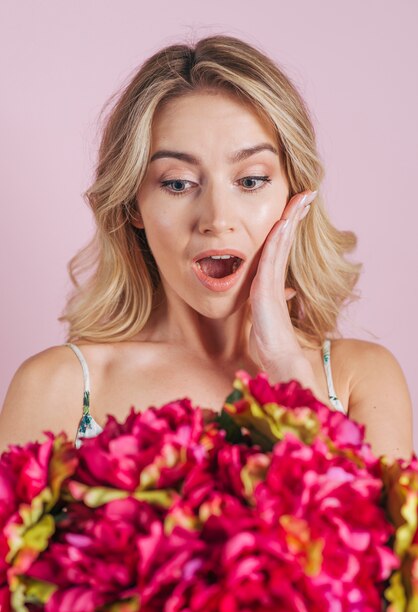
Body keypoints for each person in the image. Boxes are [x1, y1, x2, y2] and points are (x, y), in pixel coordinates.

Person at [0, 35, 413, 460]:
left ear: (296, 195)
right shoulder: (59, 385)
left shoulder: (358, 379)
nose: (217, 219)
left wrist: (290, 370)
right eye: (178, 183)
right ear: (133, 204)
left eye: (251, 180)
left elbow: (361, 523)